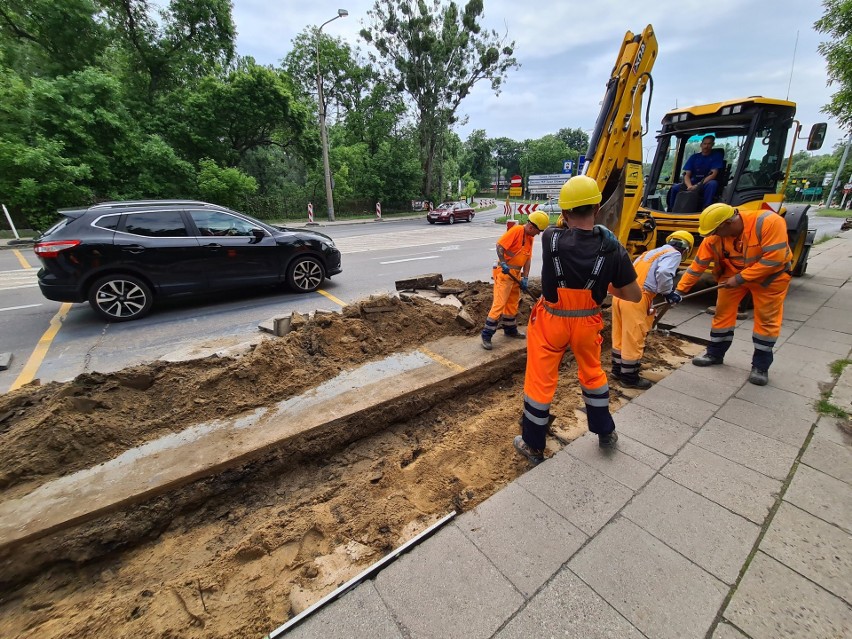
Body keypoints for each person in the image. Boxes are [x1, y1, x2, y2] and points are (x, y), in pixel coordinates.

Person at [513, 176, 642, 464]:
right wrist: (607, 278)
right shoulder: (613, 248)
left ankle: (533, 444)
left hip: (551, 322)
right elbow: (633, 295)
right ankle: (605, 432)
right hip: (587, 322)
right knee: (593, 374)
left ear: (565, 212)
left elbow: (564, 229)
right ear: (597, 208)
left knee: (540, 380)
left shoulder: (550, 239)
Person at [675, 203, 793, 386]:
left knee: (767, 319)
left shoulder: (768, 222)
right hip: (732, 275)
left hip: (770, 277)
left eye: (715, 230)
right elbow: (697, 266)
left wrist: (741, 278)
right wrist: (679, 291)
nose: (713, 235)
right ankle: (715, 353)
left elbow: (774, 258)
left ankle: (760, 366)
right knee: (722, 314)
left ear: (728, 223)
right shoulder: (714, 239)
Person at [611, 230, 694, 389]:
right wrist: (668, 293)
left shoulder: (649, 253)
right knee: (634, 336)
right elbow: (663, 272)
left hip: (620, 295)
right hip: (637, 297)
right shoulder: (674, 254)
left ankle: (617, 369)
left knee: (620, 334)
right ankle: (629, 377)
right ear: (686, 249)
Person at [481, 210, 550, 350]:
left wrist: (525, 277)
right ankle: (486, 334)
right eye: (538, 231)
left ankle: (510, 329)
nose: (538, 234)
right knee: (499, 304)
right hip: (504, 273)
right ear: (531, 227)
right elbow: (499, 246)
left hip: (516, 274)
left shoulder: (530, 238)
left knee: (512, 303)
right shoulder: (517, 230)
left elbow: (527, 259)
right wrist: (503, 262)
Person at [667, 135, 724, 211]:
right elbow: (687, 175)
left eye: (709, 144)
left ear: (712, 145)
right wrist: (690, 186)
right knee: (674, 188)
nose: (706, 146)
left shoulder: (716, 157)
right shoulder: (694, 157)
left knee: (713, 184)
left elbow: (713, 174)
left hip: (705, 183)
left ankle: (705, 209)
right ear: (701, 145)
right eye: (705, 144)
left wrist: (697, 186)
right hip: (693, 182)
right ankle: (671, 210)